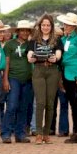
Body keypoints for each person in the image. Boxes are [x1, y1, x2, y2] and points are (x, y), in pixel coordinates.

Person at [27, 14, 62, 145]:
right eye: (43, 25)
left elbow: (58, 52)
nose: (45, 27)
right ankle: (38, 133)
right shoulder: (34, 39)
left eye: (48, 25)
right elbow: (30, 53)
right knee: (40, 102)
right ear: (40, 26)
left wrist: (56, 58)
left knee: (50, 103)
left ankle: (47, 134)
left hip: (52, 70)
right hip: (38, 70)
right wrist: (30, 57)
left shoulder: (57, 39)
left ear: (51, 26)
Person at [56, 13, 77, 144]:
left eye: (69, 24)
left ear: (74, 26)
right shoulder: (65, 39)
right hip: (66, 74)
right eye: (65, 23)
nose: (66, 26)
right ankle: (76, 133)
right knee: (73, 105)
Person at [1, 20, 34, 144]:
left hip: (28, 79)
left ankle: (20, 134)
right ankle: (6, 134)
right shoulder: (10, 44)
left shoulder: (31, 44)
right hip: (13, 78)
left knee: (24, 107)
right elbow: (7, 63)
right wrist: (5, 79)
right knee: (12, 106)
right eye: (22, 30)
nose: (25, 32)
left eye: (27, 30)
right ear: (18, 31)